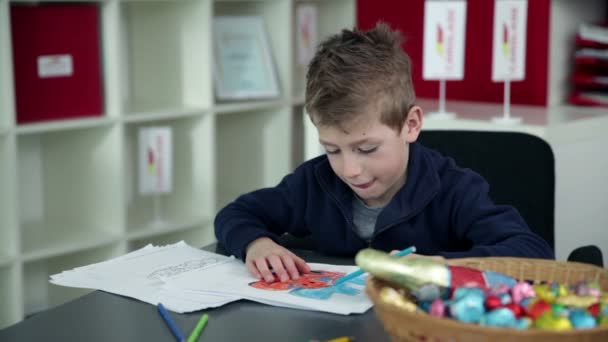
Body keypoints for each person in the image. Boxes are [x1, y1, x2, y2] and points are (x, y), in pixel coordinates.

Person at [214, 22, 554, 284]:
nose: (349, 170)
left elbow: (533, 254)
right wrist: (256, 244)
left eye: (366, 149)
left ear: (410, 125)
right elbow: (235, 214)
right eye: (332, 149)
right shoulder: (313, 183)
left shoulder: (456, 190)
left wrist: (444, 268)